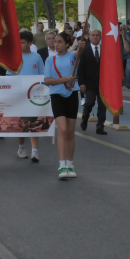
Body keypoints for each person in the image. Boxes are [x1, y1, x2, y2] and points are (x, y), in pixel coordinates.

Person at [44, 32, 84, 179]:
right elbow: (47, 80)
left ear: (67, 44)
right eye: (55, 41)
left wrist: (81, 45)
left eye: (60, 42)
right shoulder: (50, 59)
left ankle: (70, 164)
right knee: (63, 129)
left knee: (71, 132)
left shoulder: (72, 56)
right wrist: (66, 79)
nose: (56, 44)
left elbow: (79, 52)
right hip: (57, 95)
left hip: (72, 95)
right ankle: (61, 165)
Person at [8, 30, 45, 162]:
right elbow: (9, 75)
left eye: (22, 42)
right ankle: (21, 146)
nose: (19, 44)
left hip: (33, 95)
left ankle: (35, 150)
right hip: (19, 95)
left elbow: (42, 75)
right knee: (22, 122)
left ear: (30, 43)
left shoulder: (37, 57)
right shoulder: (15, 57)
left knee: (33, 122)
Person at [78, 29, 108, 134]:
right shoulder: (85, 50)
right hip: (89, 83)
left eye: (97, 35)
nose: (95, 37)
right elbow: (80, 68)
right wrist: (81, 83)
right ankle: (84, 119)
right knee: (89, 103)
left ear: (100, 37)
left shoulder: (105, 50)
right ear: (89, 37)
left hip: (103, 84)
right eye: (93, 35)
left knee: (102, 106)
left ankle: (100, 126)